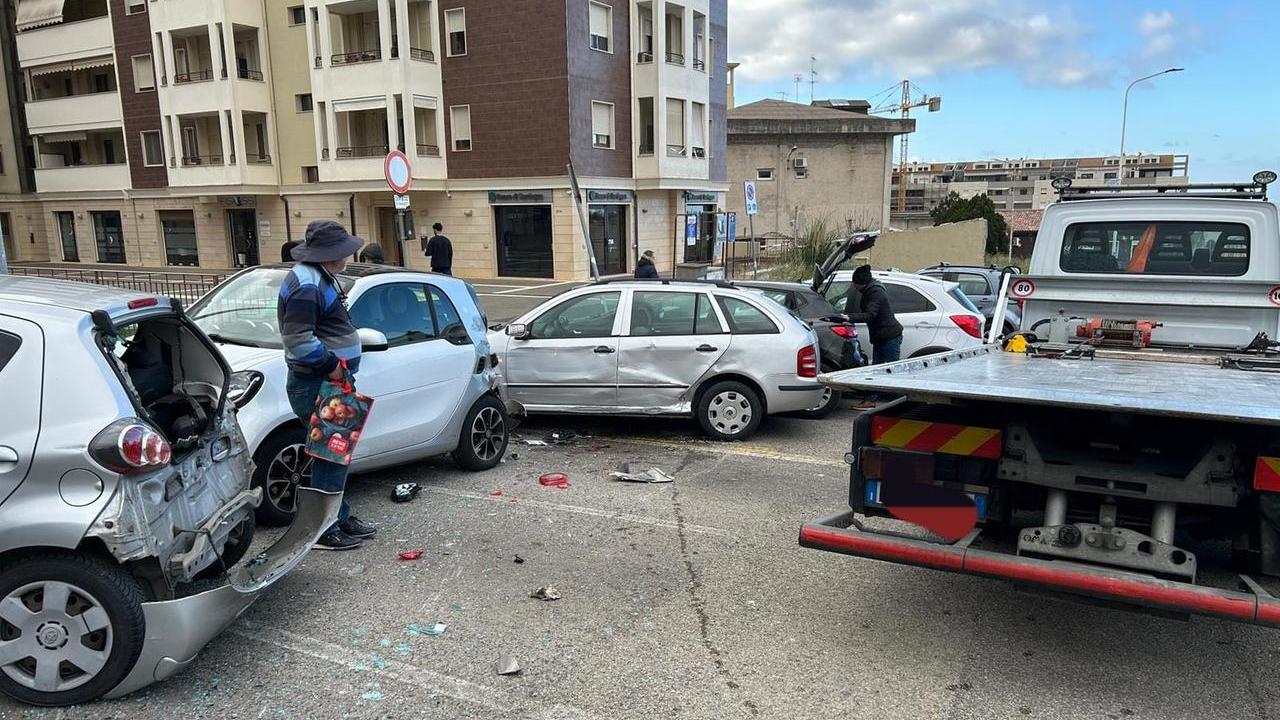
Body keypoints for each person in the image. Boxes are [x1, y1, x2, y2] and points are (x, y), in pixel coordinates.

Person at [279, 220, 378, 551]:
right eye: (345, 251)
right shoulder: (307, 285)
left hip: (325, 380)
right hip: (319, 381)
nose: (349, 255)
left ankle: (337, 516)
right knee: (331, 454)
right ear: (330, 253)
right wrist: (333, 366)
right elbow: (298, 340)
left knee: (335, 453)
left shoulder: (316, 276)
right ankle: (323, 528)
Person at [846, 264, 903, 364]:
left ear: (861, 283)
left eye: (855, 283)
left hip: (890, 336)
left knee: (894, 367)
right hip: (880, 337)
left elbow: (870, 315)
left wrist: (849, 317)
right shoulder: (869, 291)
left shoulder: (876, 292)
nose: (854, 285)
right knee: (877, 368)